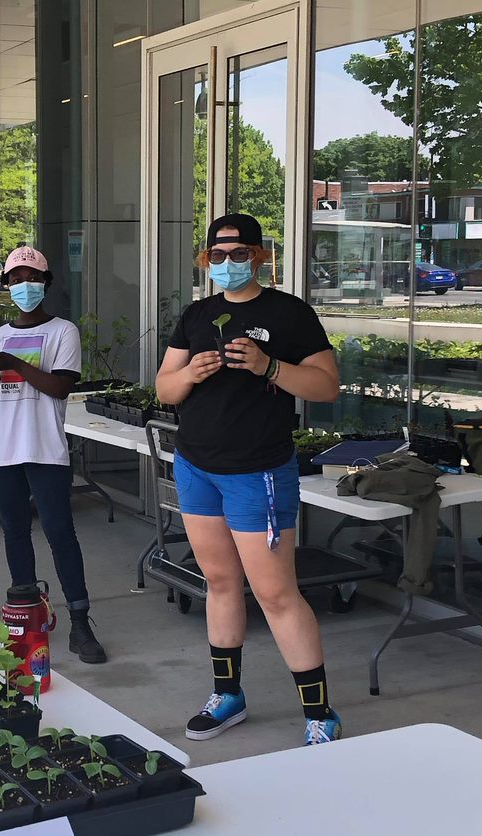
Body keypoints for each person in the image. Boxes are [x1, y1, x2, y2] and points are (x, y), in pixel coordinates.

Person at [155, 213, 342, 746]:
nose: (229, 264)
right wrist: (191, 373)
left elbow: (326, 386)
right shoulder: (197, 315)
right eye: (218, 256)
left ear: (259, 257)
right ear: (206, 260)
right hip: (195, 465)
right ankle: (228, 696)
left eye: (240, 255)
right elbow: (165, 389)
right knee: (219, 581)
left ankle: (320, 713)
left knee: (276, 593)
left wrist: (268, 366)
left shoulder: (289, 314)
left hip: (257, 471)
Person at [0, 246, 107, 664]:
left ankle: (81, 621)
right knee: (14, 531)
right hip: (2, 448)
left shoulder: (63, 331)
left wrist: (13, 361)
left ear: (45, 283)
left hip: (45, 446)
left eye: (31, 277)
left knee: (59, 531)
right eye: (14, 279)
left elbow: (60, 387)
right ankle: (29, 613)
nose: (22, 286)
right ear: (5, 286)